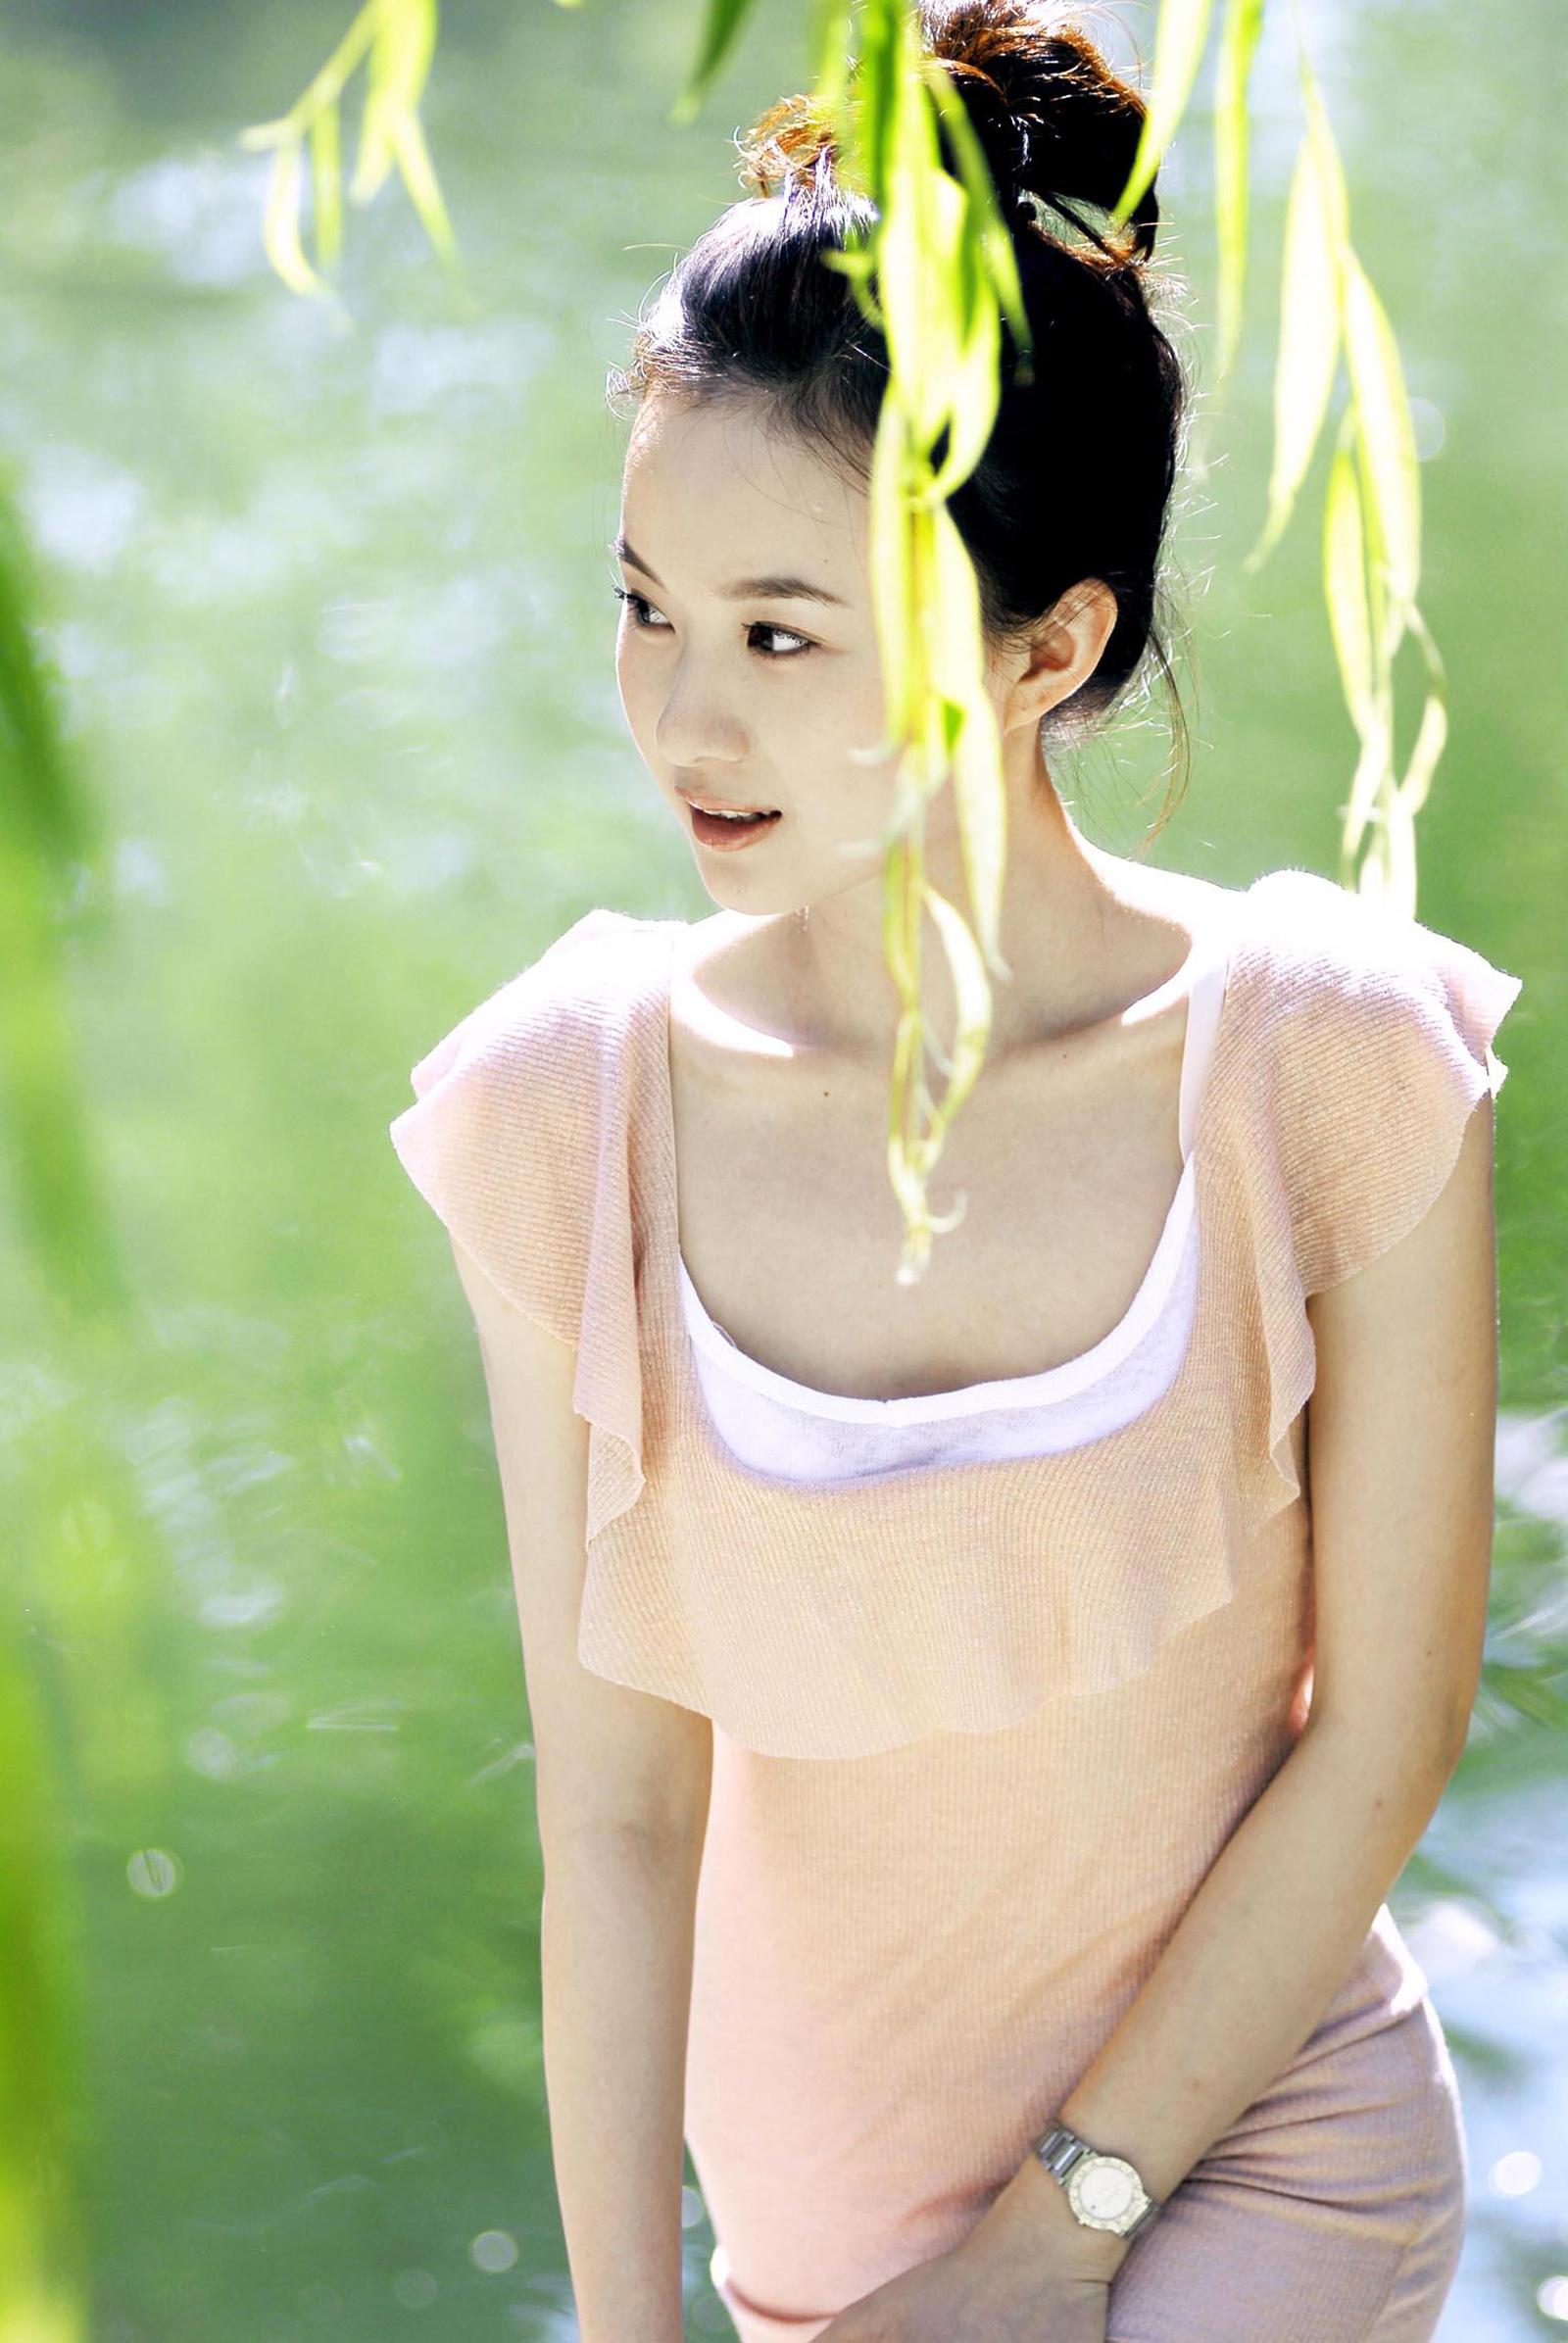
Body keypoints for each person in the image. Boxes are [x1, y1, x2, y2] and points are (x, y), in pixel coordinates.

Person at [388, 6, 1524, 2337]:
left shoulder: (1322, 1057)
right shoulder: (565, 1108)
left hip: (1244, 2132)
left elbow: (1381, 1726)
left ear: (1046, 645)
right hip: (826, 2228)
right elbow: (616, 1816)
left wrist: (1049, 2235)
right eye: (645, 605)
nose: (684, 714)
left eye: (781, 633)